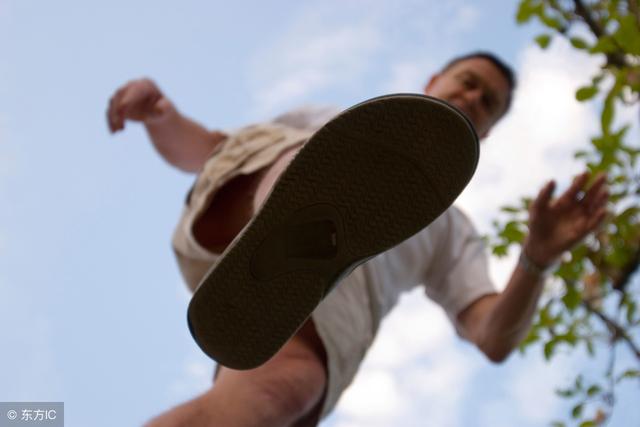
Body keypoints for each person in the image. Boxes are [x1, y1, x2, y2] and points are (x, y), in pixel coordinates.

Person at [106, 52, 609, 427]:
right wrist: (161, 116)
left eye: (489, 103)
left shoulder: (452, 230)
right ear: (434, 80)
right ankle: (299, 216)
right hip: (241, 209)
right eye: (469, 83)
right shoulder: (324, 118)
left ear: (491, 130)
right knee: (308, 159)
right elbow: (208, 149)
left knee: (280, 395)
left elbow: (491, 334)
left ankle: (300, 241)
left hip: (324, 314)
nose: (474, 99)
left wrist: (536, 260)